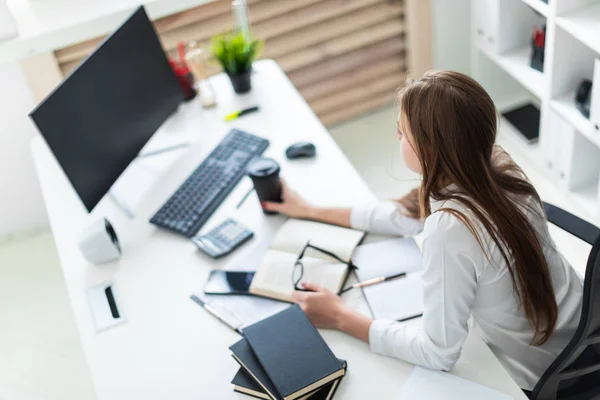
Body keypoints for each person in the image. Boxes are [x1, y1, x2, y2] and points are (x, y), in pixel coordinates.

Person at [262, 71, 583, 392]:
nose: (397, 136)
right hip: (579, 327)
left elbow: (438, 352)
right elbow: (405, 215)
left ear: (429, 150)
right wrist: (310, 210)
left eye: (402, 132)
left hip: (544, 369)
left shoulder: (451, 228)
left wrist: (340, 316)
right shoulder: (494, 163)